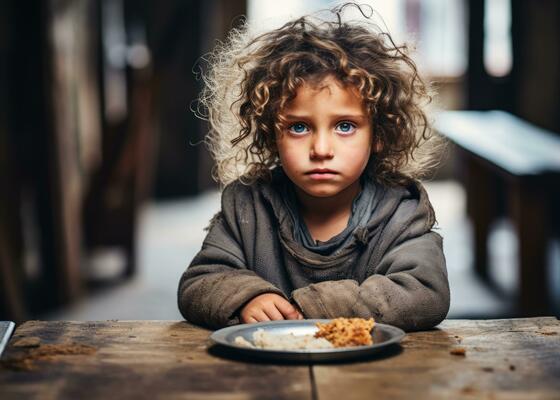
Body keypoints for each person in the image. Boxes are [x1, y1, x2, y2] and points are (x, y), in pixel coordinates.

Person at [178, 3, 450, 331]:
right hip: (267, 375)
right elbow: (199, 282)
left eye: (345, 126)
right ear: (269, 134)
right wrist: (247, 297)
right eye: (299, 127)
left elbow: (425, 292)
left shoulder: (400, 213)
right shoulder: (248, 207)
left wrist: (315, 305)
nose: (321, 150)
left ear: (379, 133)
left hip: (374, 376)